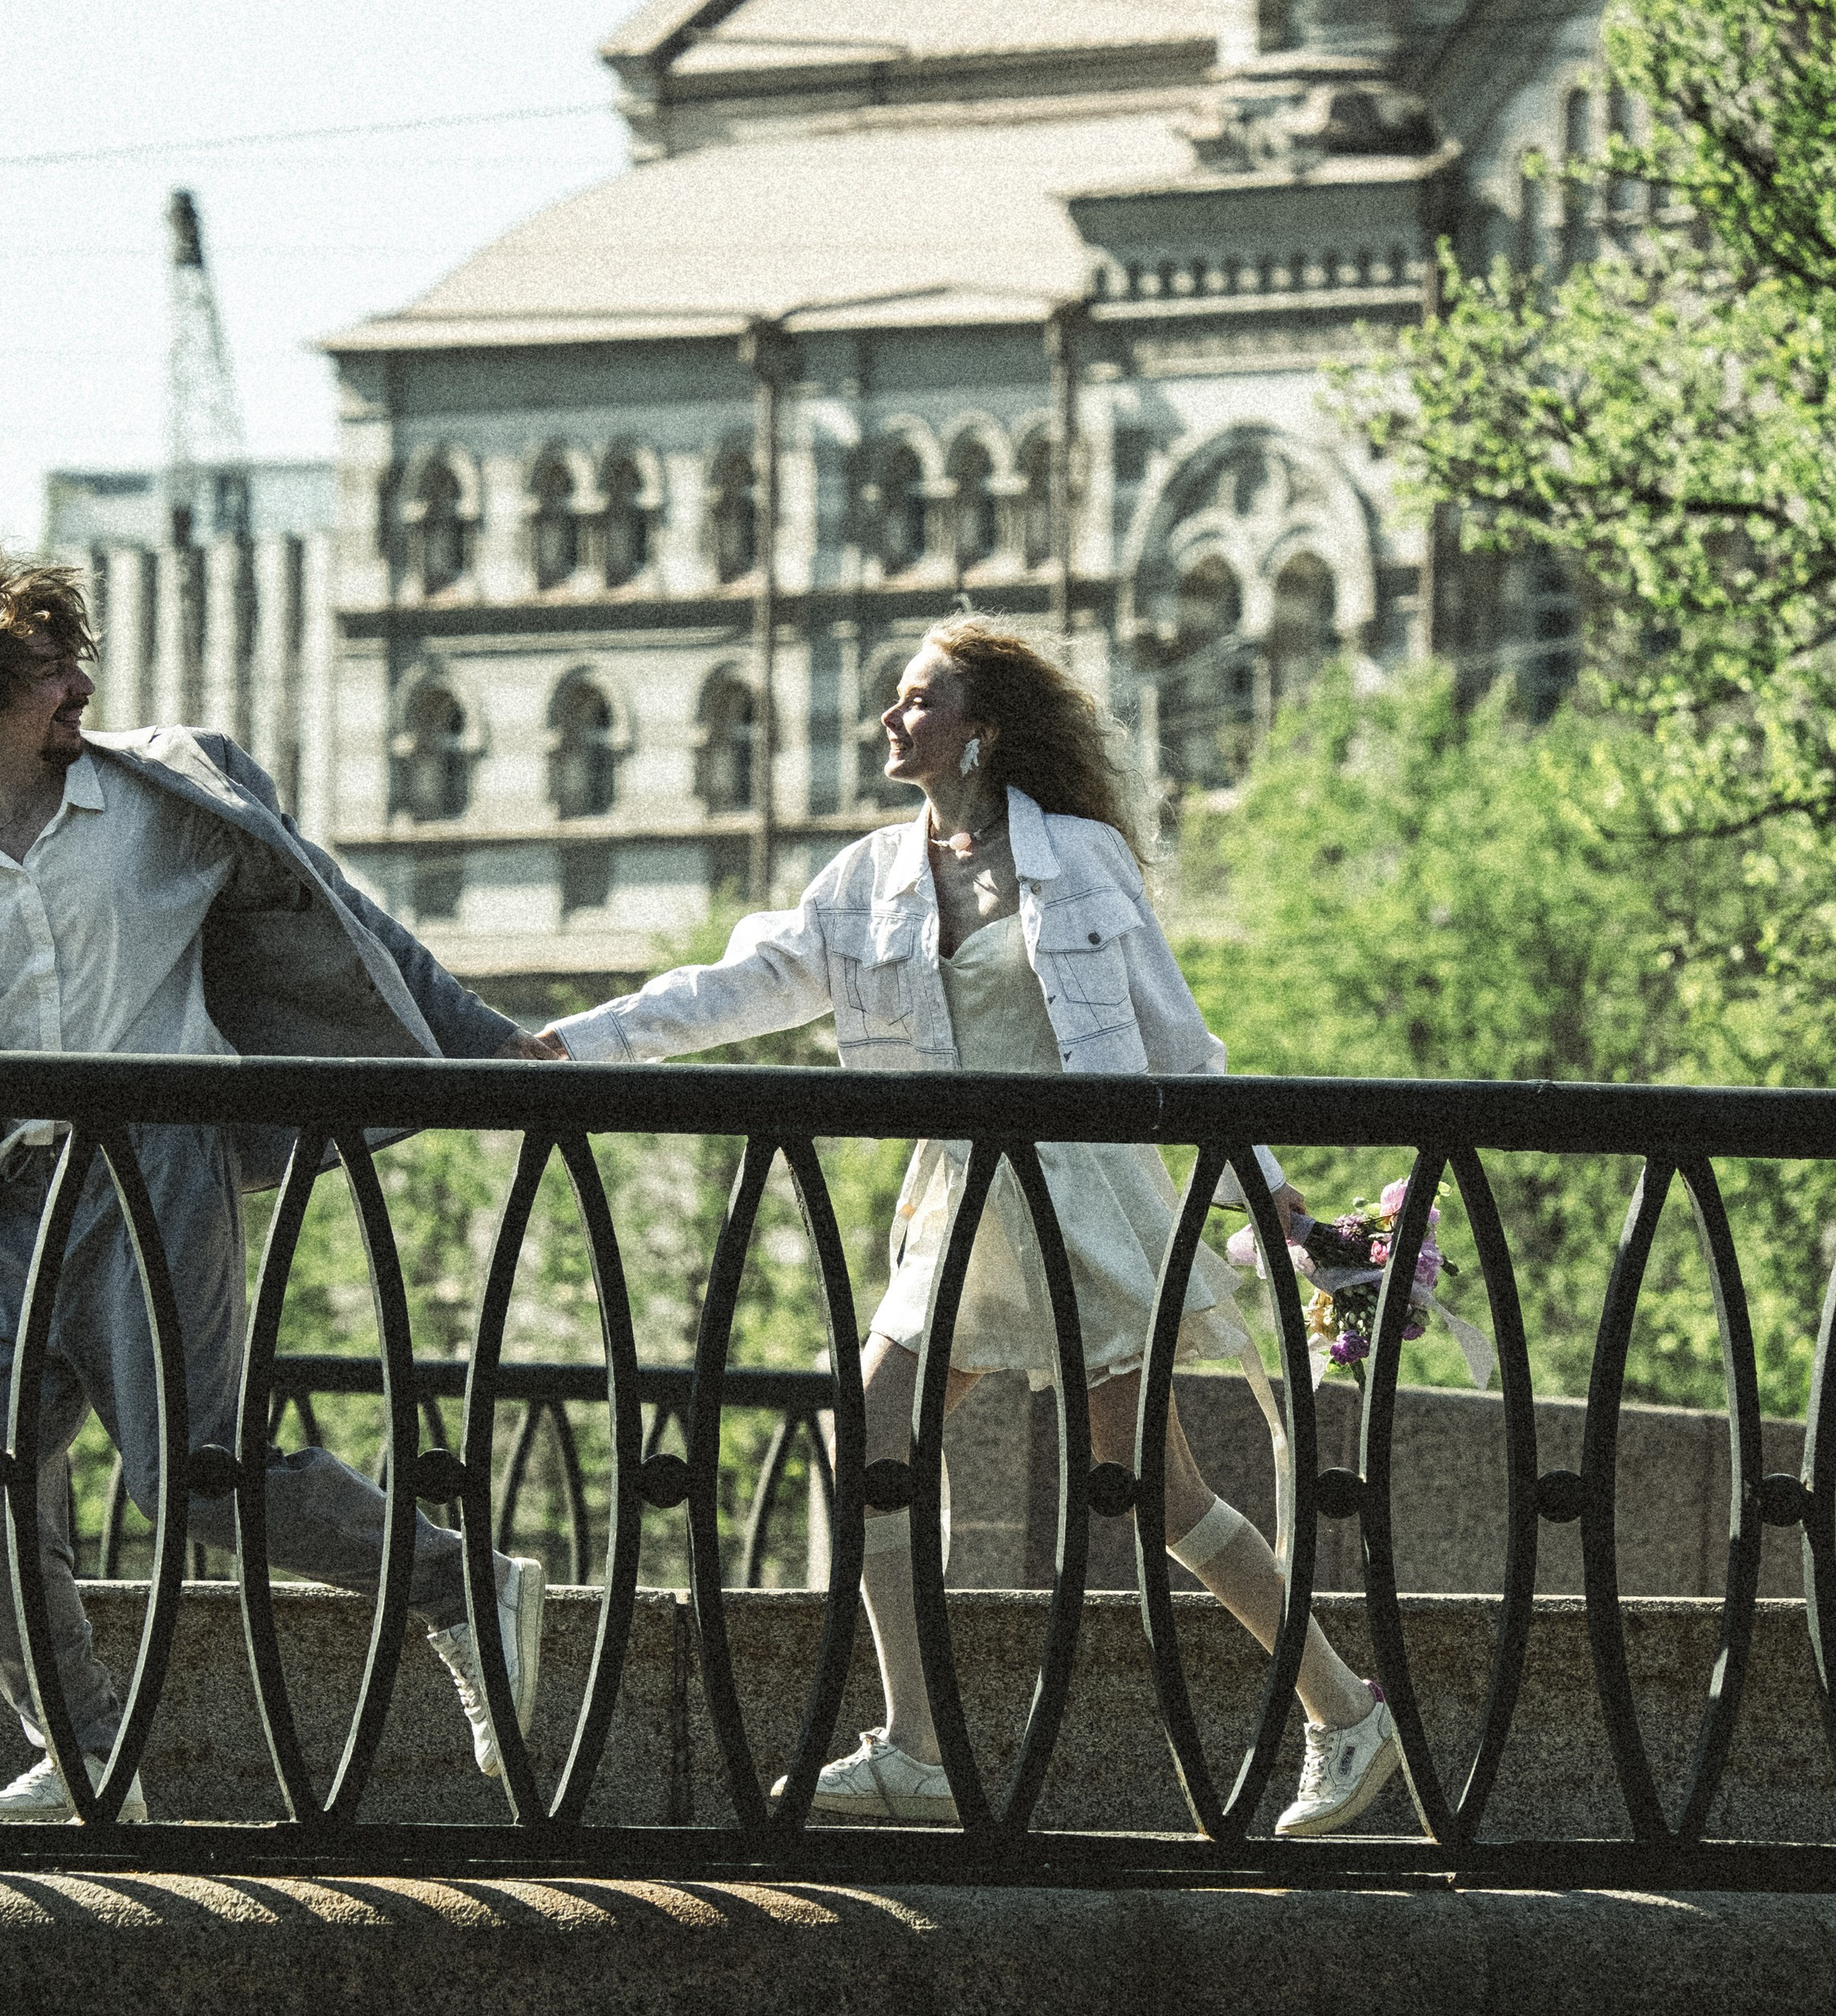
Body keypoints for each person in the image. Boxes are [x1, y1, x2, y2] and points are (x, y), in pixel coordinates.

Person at [538, 616, 1400, 1838]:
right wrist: (568, 1045)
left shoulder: (1081, 861)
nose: (894, 720)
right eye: (896, 701)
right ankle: (919, 1750)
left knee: (1152, 1489)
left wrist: (1260, 1183)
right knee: (875, 1429)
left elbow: (1177, 1043)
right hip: (961, 1206)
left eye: (918, 700)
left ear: (982, 729)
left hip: (1082, 1201)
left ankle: (1342, 1708)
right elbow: (740, 987)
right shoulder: (871, 879)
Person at [0, 549, 554, 1823]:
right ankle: (88, 1758)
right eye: (51, 670)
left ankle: (458, 1587)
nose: (82, 687)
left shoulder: (168, 793)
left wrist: (490, 1045)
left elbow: (347, 918)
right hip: (17, 1196)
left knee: (196, 1484)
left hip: (163, 1169)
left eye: (77, 663)